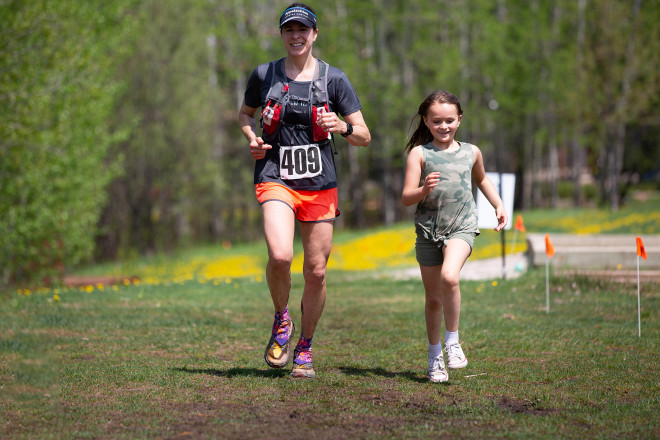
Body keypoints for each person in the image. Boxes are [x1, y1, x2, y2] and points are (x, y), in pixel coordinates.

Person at [238, 3, 370, 378]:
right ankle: (282, 319)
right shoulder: (264, 74)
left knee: (316, 271)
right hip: (275, 174)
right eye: (289, 30)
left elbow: (364, 135)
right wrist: (252, 139)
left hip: (318, 183)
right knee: (280, 256)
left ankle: (305, 349)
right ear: (282, 34)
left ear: (314, 34)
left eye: (303, 30)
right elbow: (245, 114)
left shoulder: (334, 79)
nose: (296, 36)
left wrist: (341, 127)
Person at [401, 90, 507, 383]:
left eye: (449, 120)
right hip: (427, 231)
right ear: (426, 121)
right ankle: (435, 357)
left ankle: (453, 341)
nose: (443, 126)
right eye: (437, 121)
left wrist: (498, 204)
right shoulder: (420, 154)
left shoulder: (471, 151)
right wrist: (422, 190)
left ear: (459, 120)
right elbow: (406, 197)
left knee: (450, 276)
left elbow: (482, 178)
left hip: (462, 226)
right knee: (433, 299)